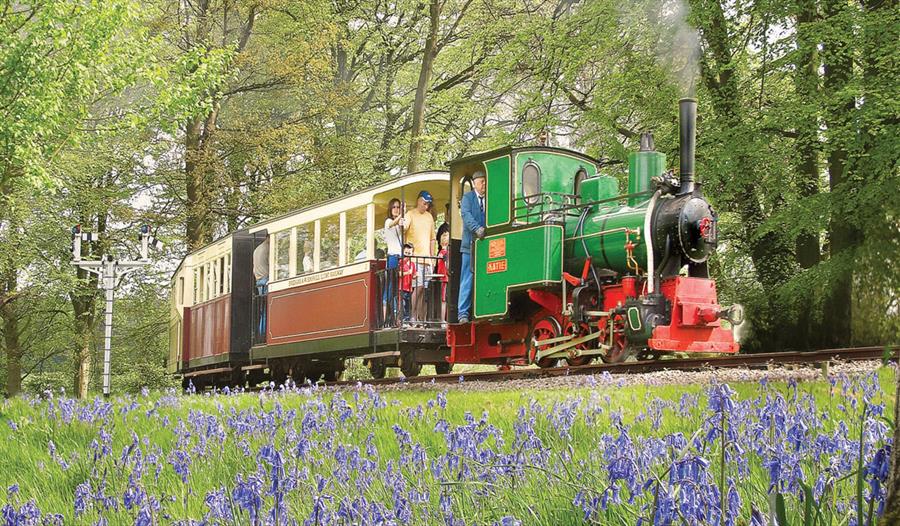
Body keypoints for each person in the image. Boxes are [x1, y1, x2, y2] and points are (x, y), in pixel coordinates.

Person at [458, 170, 486, 323]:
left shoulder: (489, 199)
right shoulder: (467, 198)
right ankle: (462, 313)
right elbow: (466, 216)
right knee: (467, 279)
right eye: (481, 182)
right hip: (469, 245)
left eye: (485, 182)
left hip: (484, 245)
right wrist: (477, 229)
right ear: (475, 183)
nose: (484, 185)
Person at [403, 190, 436, 323]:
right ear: (418, 200)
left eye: (428, 204)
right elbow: (403, 228)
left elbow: (432, 239)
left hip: (427, 259)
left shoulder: (429, 217)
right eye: (424, 203)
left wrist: (433, 258)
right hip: (414, 258)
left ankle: (421, 318)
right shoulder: (410, 214)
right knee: (418, 287)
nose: (426, 206)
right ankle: (412, 315)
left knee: (424, 289)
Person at [382, 197, 404, 325]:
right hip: (392, 257)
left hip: (400, 257)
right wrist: (402, 213)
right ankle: (386, 317)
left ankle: (396, 317)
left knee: (397, 288)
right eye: (394, 207)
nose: (396, 209)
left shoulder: (398, 224)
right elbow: (392, 223)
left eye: (398, 207)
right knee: (390, 287)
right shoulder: (388, 221)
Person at [252, 238, 270, 336]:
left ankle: (262, 332)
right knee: (268, 308)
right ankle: (264, 332)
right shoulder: (267, 248)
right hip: (266, 279)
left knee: (264, 308)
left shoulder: (257, 249)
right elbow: (271, 263)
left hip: (259, 280)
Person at [398, 243, 416, 322]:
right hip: (402, 287)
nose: (407, 255)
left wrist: (415, 275)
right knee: (402, 304)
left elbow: (414, 275)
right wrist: (408, 272)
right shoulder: (401, 262)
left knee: (408, 305)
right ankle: (402, 320)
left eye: (409, 253)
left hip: (409, 288)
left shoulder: (412, 264)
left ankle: (407, 320)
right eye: (406, 253)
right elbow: (399, 274)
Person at [436, 230, 450, 322]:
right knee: (444, 300)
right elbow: (447, 265)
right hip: (445, 277)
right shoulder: (445, 253)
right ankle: (442, 320)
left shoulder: (441, 252)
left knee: (444, 300)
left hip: (443, 277)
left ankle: (443, 319)